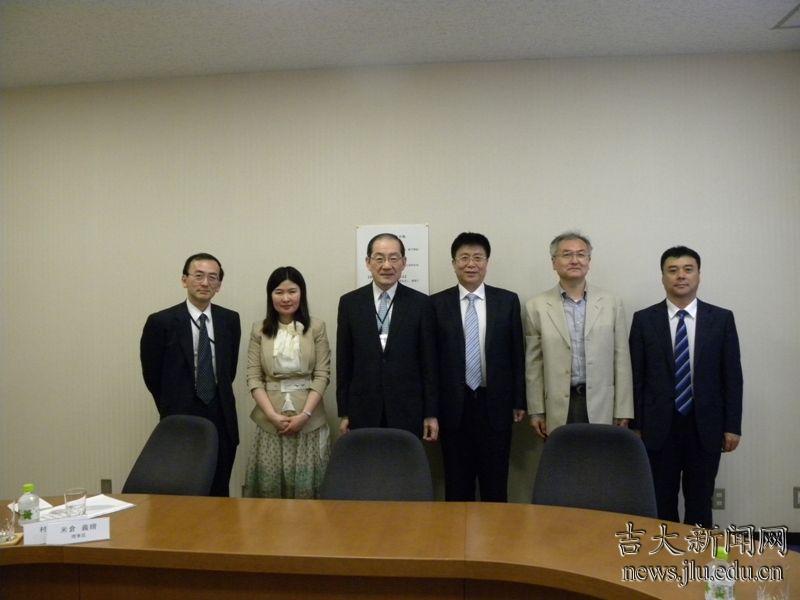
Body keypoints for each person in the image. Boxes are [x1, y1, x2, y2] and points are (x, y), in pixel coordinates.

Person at [629, 246, 742, 528]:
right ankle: (665, 553)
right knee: (661, 499)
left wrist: (732, 425)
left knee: (700, 500)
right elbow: (636, 377)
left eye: (688, 269)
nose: (681, 276)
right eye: (673, 270)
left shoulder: (721, 319)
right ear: (663, 277)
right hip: (657, 427)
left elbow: (732, 376)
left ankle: (697, 553)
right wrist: (636, 425)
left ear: (698, 275)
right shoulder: (644, 319)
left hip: (705, 426)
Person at [431, 232, 525, 502]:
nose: (471, 264)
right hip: (453, 407)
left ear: (487, 262)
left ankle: (497, 531)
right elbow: (430, 361)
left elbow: (517, 354)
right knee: (456, 485)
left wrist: (519, 400)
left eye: (477, 258)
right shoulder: (436, 304)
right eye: (464, 258)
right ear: (453, 263)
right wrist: (431, 410)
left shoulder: (507, 301)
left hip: (495, 404)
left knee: (495, 484)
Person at [140, 253, 241, 497]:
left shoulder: (230, 319)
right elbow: (152, 375)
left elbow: (229, 370)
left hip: (220, 413)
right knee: (182, 488)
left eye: (212, 277)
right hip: (180, 413)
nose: (205, 283)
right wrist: (171, 405)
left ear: (219, 285)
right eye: (198, 276)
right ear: (184, 280)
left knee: (219, 489)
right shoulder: (161, 321)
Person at [523, 231, 633, 438]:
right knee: (562, 457)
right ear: (554, 262)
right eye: (566, 254)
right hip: (557, 405)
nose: (575, 260)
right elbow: (534, 364)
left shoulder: (611, 303)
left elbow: (621, 359)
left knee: (599, 456)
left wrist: (623, 409)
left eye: (581, 254)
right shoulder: (536, 306)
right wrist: (536, 410)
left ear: (589, 261)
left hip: (601, 403)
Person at [336, 233, 439, 440]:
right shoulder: (350, 303)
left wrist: (431, 413)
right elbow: (344, 362)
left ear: (403, 263)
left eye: (393, 258)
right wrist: (344, 411)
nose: (386, 265)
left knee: (404, 461)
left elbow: (429, 363)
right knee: (367, 460)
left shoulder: (421, 304)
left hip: (408, 409)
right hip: (363, 409)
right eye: (379, 258)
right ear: (368, 262)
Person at [243, 267, 331, 499]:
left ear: (302, 294)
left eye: (292, 291)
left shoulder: (317, 327)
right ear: (270, 295)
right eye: (279, 292)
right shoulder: (259, 329)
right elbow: (253, 377)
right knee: (270, 490)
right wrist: (272, 416)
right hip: (270, 421)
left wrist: (305, 415)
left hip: (309, 420)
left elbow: (322, 375)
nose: (286, 298)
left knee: (308, 491)